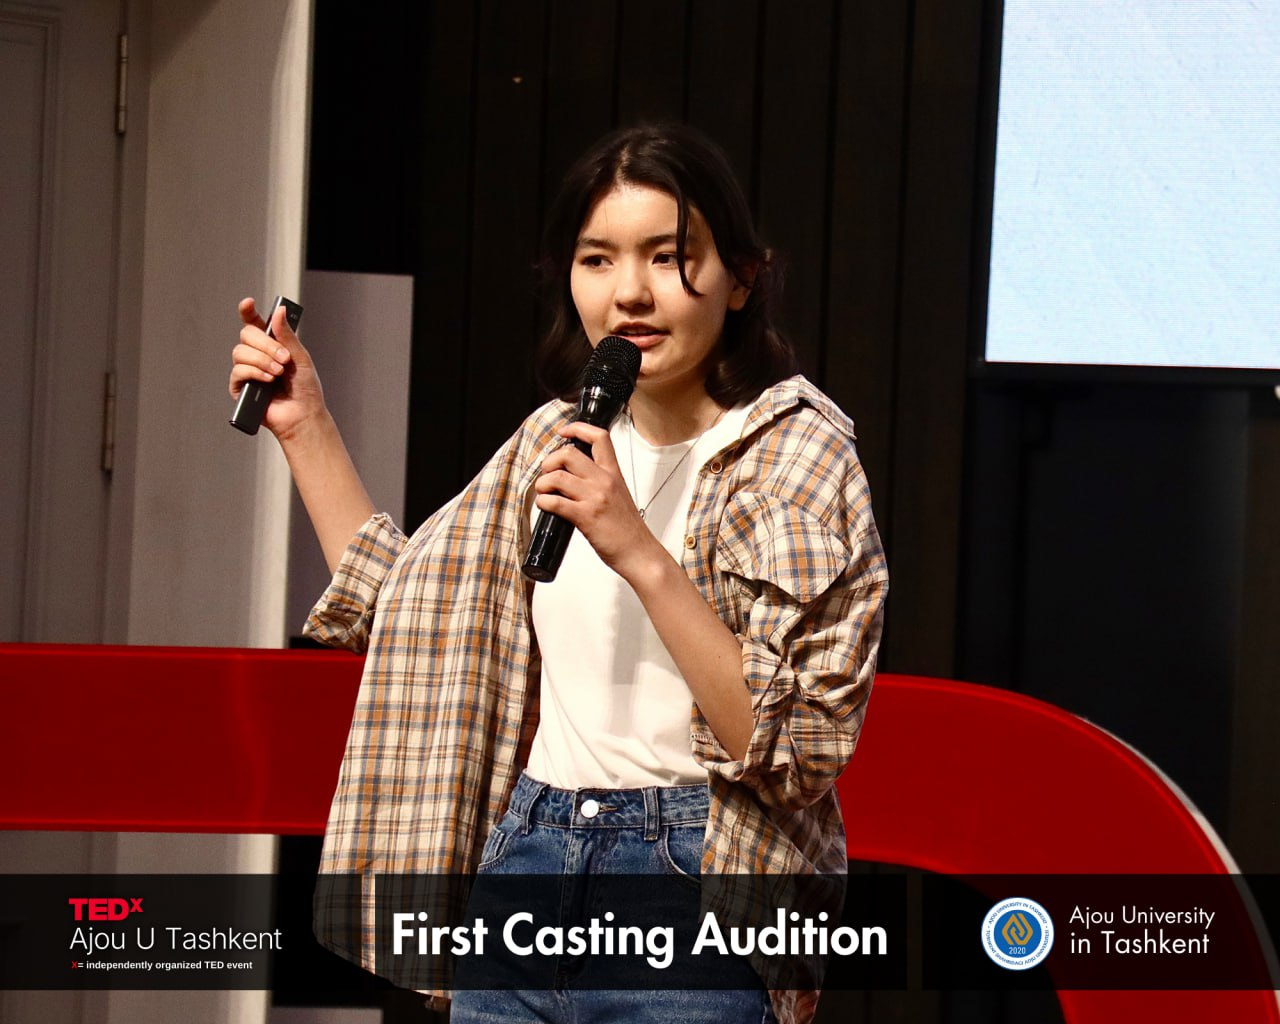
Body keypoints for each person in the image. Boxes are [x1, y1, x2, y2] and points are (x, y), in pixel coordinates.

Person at [230, 122, 887, 1024]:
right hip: (526, 868)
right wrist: (305, 425)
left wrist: (638, 551)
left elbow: (795, 751)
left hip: (693, 885)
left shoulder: (795, 457)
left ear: (741, 277)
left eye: (668, 257)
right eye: (597, 259)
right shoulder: (555, 438)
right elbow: (408, 614)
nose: (630, 292)